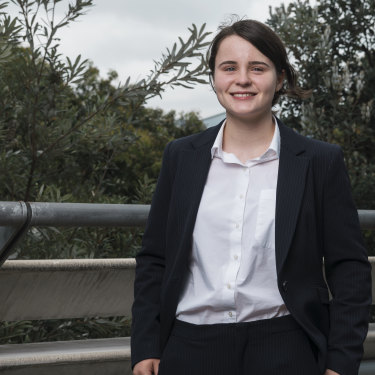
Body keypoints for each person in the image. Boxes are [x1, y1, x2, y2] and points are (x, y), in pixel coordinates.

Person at [131, 19, 371, 375]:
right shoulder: (181, 156)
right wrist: (146, 345)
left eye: (257, 68)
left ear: (281, 78)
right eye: (229, 68)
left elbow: (349, 268)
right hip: (190, 346)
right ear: (214, 77)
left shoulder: (320, 161)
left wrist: (341, 362)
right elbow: (155, 258)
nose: (242, 79)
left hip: (286, 346)